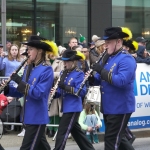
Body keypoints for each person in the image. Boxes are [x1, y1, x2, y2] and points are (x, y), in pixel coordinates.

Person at [2, 35, 58, 150]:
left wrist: (18, 80)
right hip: (27, 116)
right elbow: (22, 92)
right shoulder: (29, 68)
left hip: (37, 118)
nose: (28, 52)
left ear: (40, 51)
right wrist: (7, 89)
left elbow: (38, 93)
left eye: (31, 49)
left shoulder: (46, 69)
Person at [88, 27, 136, 150]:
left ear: (118, 42)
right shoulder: (109, 58)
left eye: (108, 43)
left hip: (120, 106)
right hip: (109, 106)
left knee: (111, 140)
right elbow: (100, 78)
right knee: (119, 140)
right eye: (105, 43)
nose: (105, 46)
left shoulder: (127, 59)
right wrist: (91, 78)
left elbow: (121, 81)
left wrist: (101, 70)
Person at [52, 50, 95, 150]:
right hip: (66, 107)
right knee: (77, 134)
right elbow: (60, 91)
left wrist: (65, 87)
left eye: (67, 61)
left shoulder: (79, 74)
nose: (64, 63)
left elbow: (81, 92)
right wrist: (54, 93)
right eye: (64, 61)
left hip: (73, 107)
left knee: (62, 133)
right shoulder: (63, 72)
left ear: (73, 62)